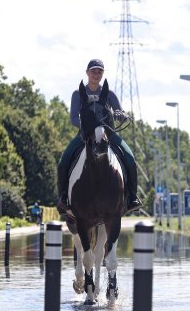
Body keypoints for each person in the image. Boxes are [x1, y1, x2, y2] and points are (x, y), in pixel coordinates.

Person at [56, 59, 142, 215]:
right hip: (85, 135)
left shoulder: (109, 94)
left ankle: (132, 198)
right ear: (87, 72)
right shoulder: (78, 94)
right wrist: (87, 129)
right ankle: (63, 198)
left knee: (130, 159)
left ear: (103, 74)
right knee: (64, 161)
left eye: (99, 71)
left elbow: (119, 111)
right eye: (93, 71)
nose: (96, 74)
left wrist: (121, 115)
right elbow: (74, 118)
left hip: (108, 134)